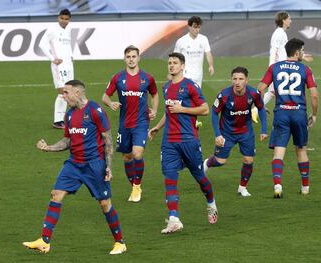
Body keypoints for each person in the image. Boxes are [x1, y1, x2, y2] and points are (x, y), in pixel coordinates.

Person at [23, 80, 127, 255]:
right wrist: (48, 147)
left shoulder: (95, 110)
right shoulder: (69, 115)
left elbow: (108, 139)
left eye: (66, 93)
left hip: (95, 165)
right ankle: (44, 241)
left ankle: (120, 243)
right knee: (56, 194)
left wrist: (109, 167)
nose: (63, 96)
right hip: (74, 164)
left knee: (105, 204)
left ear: (78, 93)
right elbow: (67, 141)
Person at [148, 52, 218, 234]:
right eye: (169, 62)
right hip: (169, 141)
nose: (171, 65)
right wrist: (157, 127)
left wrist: (183, 109)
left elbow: (204, 109)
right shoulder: (166, 87)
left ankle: (211, 202)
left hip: (189, 140)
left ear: (182, 66)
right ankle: (174, 219)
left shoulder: (190, 86)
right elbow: (169, 111)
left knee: (199, 177)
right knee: (170, 178)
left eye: (175, 63)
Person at [258, 38, 318, 198]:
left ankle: (277, 184)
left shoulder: (274, 67)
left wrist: (261, 106)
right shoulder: (305, 69)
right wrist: (314, 114)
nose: (303, 53)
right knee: (301, 149)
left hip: (281, 113)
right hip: (299, 113)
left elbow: (260, 88)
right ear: (297, 52)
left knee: (279, 152)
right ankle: (305, 188)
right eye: (303, 51)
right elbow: (314, 95)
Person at [102, 45, 159, 202]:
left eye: (134, 56)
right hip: (124, 123)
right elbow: (105, 97)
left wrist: (154, 110)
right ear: (124, 59)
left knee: (137, 153)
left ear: (139, 58)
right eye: (128, 57)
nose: (131, 59)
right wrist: (111, 103)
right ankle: (134, 185)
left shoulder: (147, 78)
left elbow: (155, 94)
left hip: (141, 123)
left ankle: (136, 187)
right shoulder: (117, 78)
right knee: (127, 157)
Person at [203, 67, 268, 197]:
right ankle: (206, 163)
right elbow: (215, 113)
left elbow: (261, 108)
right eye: (235, 79)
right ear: (231, 79)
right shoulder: (224, 95)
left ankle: (242, 188)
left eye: (241, 79)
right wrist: (217, 134)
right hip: (226, 133)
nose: (237, 82)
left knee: (248, 160)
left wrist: (264, 130)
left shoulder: (254, 93)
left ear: (246, 80)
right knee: (220, 161)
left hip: (246, 132)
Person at [251, 11, 313, 123]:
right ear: (283, 20)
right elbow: (273, 51)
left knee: (273, 92)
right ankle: (254, 110)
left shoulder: (281, 33)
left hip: (282, 68)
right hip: (279, 69)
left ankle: (255, 110)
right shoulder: (279, 34)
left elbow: (287, 52)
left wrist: (302, 56)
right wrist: (272, 68)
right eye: (289, 18)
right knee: (279, 92)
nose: (291, 21)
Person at [174, 16, 214, 128]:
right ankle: (180, 122)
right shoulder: (181, 41)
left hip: (198, 76)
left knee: (195, 100)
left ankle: (192, 121)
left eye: (199, 27)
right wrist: (174, 72)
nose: (197, 30)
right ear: (189, 27)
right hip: (185, 74)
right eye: (195, 27)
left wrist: (211, 65)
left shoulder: (203, 39)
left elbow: (208, 53)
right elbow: (175, 57)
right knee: (183, 98)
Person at [39, 9, 74, 129]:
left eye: (66, 19)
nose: (64, 21)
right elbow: (41, 44)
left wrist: (71, 56)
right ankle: (58, 121)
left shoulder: (67, 31)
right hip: (59, 66)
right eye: (62, 18)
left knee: (69, 91)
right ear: (58, 18)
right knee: (62, 92)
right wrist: (52, 58)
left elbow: (66, 46)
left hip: (68, 65)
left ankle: (62, 119)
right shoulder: (52, 30)